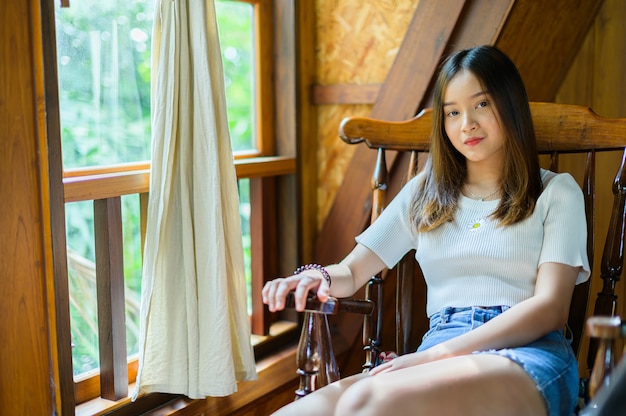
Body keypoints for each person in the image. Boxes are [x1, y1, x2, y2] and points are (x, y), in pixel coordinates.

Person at [262, 45, 590, 416]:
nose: (466, 123)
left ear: (510, 103)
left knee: (370, 402)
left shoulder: (555, 193)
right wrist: (312, 277)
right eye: (452, 112)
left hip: (526, 354)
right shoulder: (425, 193)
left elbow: (550, 309)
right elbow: (352, 271)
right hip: (438, 349)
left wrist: (430, 357)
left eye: (481, 104)